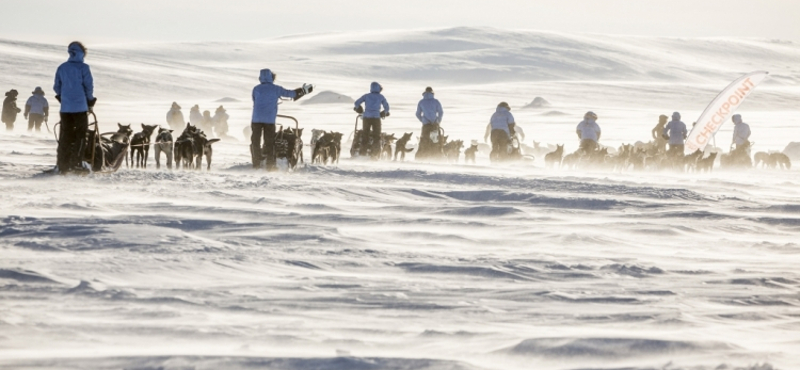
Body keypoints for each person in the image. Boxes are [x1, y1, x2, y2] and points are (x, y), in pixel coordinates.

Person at [251, 68, 311, 170]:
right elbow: (290, 94)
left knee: (255, 141)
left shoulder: (256, 89)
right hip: (269, 120)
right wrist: (303, 91)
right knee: (269, 142)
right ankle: (270, 165)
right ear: (272, 78)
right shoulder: (276, 89)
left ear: (260, 78)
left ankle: (256, 163)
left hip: (256, 119)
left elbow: (254, 100)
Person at [53, 41, 96, 174]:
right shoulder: (83, 68)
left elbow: (56, 87)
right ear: (82, 53)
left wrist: (62, 98)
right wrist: (90, 101)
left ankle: (62, 164)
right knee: (81, 135)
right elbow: (88, 87)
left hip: (65, 108)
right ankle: (77, 163)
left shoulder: (62, 67)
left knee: (65, 135)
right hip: (80, 107)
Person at [354, 82, 390, 159]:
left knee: (365, 135)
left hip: (366, 117)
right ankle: (375, 154)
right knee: (377, 136)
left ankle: (362, 154)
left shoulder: (366, 96)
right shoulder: (381, 97)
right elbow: (387, 107)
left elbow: (356, 103)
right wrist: (384, 112)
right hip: (376, 118)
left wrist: (359, 108)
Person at [415, 86, 443, 159]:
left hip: (426, 125)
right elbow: (441, 112)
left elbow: (418, 114)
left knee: (424, 140)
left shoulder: (421, 102)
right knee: (436, 141)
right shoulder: (436, 101)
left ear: (425, 92)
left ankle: (422, 156)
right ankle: (437, 156)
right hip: (435, 124)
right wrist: (438, 121)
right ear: (432, 92)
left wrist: (423, 120)